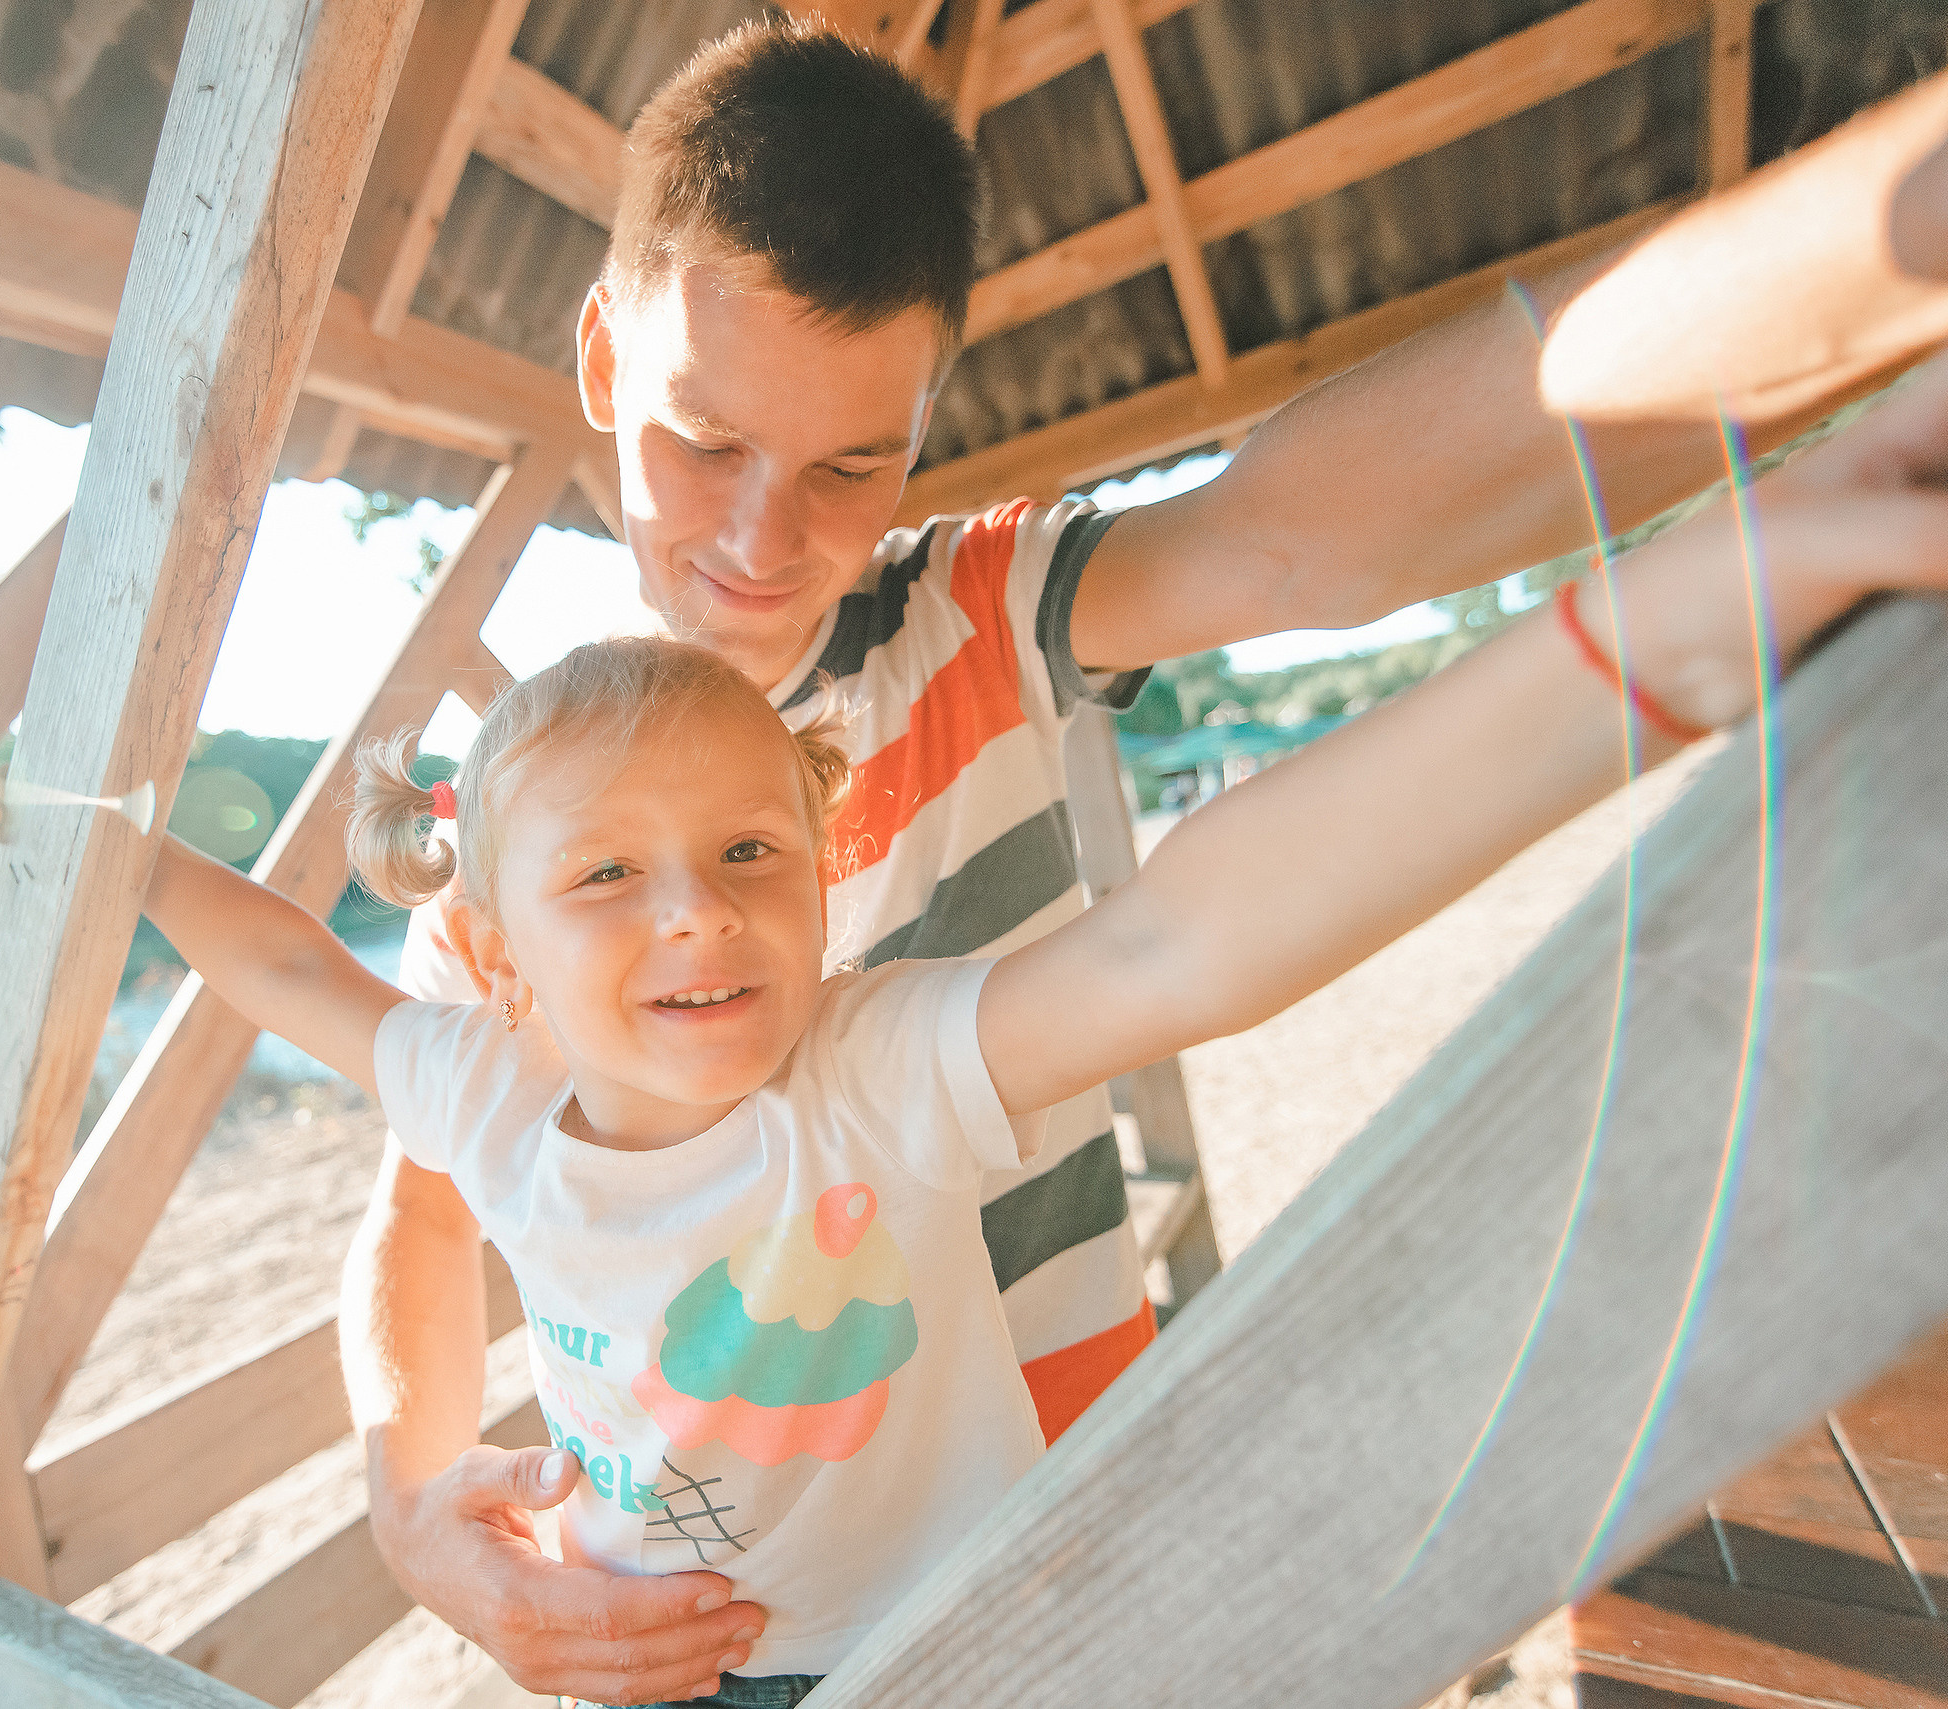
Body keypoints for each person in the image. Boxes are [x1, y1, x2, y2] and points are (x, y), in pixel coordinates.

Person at [344, 23, 1948, 1702]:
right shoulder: (528, 802)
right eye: (705, 439)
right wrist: (411, 1502)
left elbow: (1299, 530)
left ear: (922, 425)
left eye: (850, 466)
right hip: (694, 1616)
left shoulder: (973, 610)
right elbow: (425, 1198)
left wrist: (1885, 244)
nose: (763, 538)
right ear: (605, 359)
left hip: (1068, 1518)